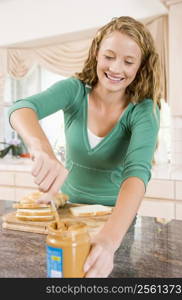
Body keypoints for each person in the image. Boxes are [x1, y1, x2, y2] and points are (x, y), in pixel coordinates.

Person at [8, 16, 161, 278]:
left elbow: (137, 173)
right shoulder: (75, 91)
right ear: (96, 54)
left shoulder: (143, 110)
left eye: (128, 61)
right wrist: (41, 148)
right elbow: (21, 108)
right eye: (109, 56)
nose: (116, 68)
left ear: (140, 66)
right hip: (67, 212)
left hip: (115, 219)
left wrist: (109, 240)